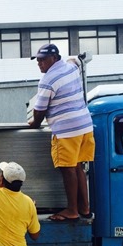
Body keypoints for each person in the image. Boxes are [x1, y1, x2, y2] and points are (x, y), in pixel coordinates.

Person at [28, 43, 95, 221]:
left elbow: (39, 111)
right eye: (38, 60)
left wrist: (33, 123)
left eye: (43, 59)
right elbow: (75, 61)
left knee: (68, 169)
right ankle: (85, 208)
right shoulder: (70, 67)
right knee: (79, 167)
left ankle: (72, 210)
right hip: (85, 126)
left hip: (67, 131)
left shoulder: (47, 80)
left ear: (54, 59)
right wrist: (71, 58)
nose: (39, 63)